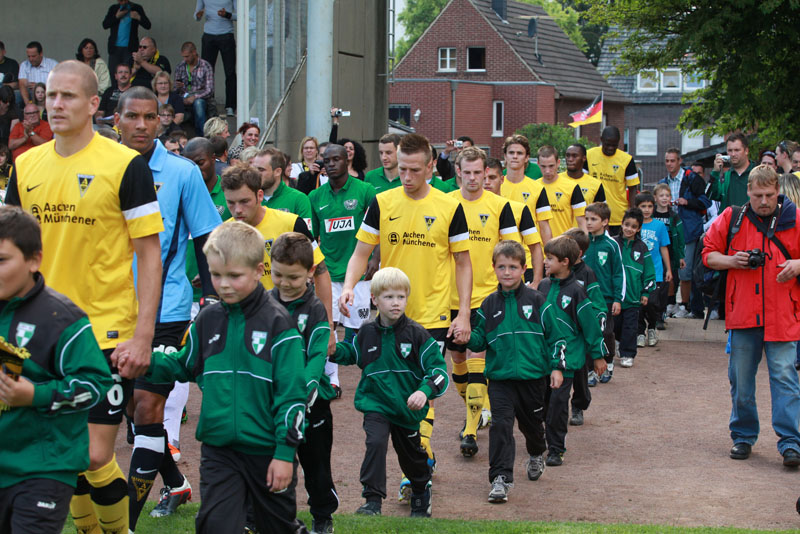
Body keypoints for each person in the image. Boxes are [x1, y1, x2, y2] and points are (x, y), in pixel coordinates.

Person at [5, 60, 163, 534]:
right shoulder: (25, 165)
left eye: (68, 96)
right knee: (63, 453)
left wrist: (143, 335)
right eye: (50, 95)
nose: (56, 104)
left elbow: (148, 254)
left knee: (92, 454)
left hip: (104, 333)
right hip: (37, 334)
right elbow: (8, 249)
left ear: (94, 104)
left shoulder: (125, 165)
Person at [121, 221, 308, 533]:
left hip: (266, 452)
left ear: (258, 270)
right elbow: (184, 364)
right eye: (216, 275)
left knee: (276, 527)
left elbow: (292, 398)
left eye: (234, 275)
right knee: (214, 526)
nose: (224, 284)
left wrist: (284, 454)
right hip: (218, 451)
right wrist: (146, 362)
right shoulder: (207, 320)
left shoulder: (279, 324)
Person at [114, 86, 221, 528]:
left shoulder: (182, 172)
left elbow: (206, 237)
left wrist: (212, 298)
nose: (141, 125)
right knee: (127, 410)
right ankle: (175, 483)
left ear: (160, 121)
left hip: (167, 309)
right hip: (109, 310)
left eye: (149, 117)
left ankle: (124, 521)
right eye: (132, 116)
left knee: (146, 408)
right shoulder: (103, 167)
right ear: (117, 120)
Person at [339, 133, 473, 476]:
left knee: (424, 385)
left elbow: (463, 262)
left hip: (432, 312)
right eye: (402, 169)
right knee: (397, 387)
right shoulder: (382, 202)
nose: (407, 176)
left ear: (431, 167)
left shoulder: (449, 206)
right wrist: (350, 286)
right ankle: (418, 460)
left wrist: (463, 313)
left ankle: (417, 463)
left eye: (415, 170)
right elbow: (361, 253)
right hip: (389, 315)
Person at [0, 207, 111, 534]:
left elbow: (95, 385)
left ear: (34, 260)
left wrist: (34, 395)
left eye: (1, 260)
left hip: (44, 469)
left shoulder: (62, 319)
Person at [330, 266, 448, 518]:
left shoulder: (417, 334)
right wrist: (332, 349)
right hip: (376, 404)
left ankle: (420, 489)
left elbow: (439, 372)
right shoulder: (366, 333)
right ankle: (372, 500)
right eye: (389, 297)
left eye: (401, 297)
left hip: (406, 409)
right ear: (374, 299)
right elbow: (352, 354)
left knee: (411, 456)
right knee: (375, 443)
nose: (396, 303)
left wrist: (424, 392)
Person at [703, 164, 800, 466]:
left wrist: (797, 265)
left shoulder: (795, 218)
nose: (764, 201)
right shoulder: (732, 217)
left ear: (778, 191)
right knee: (741, 381)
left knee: (785, 380)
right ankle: (743, 437)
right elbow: (708, 255)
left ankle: (791, 442)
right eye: (757, 195)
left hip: (783, 315)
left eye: (769, 195)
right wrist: (732, 260)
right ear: (748, 191)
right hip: (744, 314)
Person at [466, 240, 565, 503]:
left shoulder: (537, 301)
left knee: (532, 427)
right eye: (501, 267)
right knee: (501, 426)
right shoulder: (488, 305)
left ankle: (536, 452)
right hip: (500, 379)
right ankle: (500, 479)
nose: (507, 272)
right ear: (493, 268)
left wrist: (556, 368)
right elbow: (479, 341)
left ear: (523, 269)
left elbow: (556, 337)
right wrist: (465, 336)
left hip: (533, 379)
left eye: (512, 267)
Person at [446, 146, 522, 459]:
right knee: (458, 362)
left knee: (477, 359)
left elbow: (512, 249)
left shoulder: (500, 206)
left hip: (488, 296)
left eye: (479, 172)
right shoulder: (445, 203)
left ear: (486, 172)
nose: (474, 178)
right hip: (449, 297)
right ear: (458, 172)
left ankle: (469, 430)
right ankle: (479, 409)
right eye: (467, 172)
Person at [269, 232, 337, 534]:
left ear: (310, 272)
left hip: (312, 403)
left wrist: (306, 386)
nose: (284, 283)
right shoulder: (264, 303)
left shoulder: (315, 308)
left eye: (293, 277)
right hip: (274, 400)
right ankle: (264, 516)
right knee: (271, 462)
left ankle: (323, 515)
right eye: (278, 275)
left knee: (316, 466)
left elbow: (318, 353)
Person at [538, 236, 606, 466]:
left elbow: (590, 325)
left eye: (550, 258)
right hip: (542, 358)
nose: (545, 262)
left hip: (567, 359)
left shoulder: (577, 290)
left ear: (565, 262)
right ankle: (540, 440)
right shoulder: (543, 286)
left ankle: (556, 448)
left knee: (558, 405)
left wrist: (597, 356)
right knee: (542, 403)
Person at [309, 143, 376, 354]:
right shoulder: (315, 196)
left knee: (359, 330)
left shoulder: (365, 190)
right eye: (326, 160)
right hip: (328, 272)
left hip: (359, 274)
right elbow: (313, 238)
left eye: (336, 159)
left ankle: (362, 365)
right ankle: (331, 372)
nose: (331, 164)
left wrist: (375, 259)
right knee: (327, 327)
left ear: (347, 161)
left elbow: (380, 228)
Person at [561, 227, 607, 427]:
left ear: (578, 252)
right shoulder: (557, 273)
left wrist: (595, 328)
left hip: (579, 337)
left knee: (580, 376)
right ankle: (556, 409)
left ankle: (579, 405)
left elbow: (597, 305)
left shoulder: (587, 274)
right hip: (560, 336)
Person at [661, 148, 711, 320]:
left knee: (685, 271)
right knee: (669, 269)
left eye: (672, 160)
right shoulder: (664, 182)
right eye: (667, 161)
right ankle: (671, 303)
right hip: (669, 231)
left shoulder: (692, 179)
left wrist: (686, 202)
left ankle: (685, 304)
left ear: (679, 161)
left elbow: (705, 201)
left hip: (688, 231)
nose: (669, 164)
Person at [482, 156, 544, 286]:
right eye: (483, 178)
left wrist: (537, 281)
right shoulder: (465, 208)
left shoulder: (519, 209)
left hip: (512, 281)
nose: (487, 182)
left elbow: (535, 247)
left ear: (502, 179)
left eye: (492, 178)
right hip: (481, 280)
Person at [583, 202, 625, 383]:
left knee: (606, 332)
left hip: (605, 298)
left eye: (593, 219)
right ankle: (590, 370)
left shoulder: (611, 245)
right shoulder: (582, 243)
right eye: (587, 219)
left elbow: (618, 273)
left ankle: (608, 362)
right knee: (587, 332)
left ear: (605, 221)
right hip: (584, 297)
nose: (589, 222)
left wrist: (617, 298)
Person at [613, 208, 655, 368]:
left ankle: (628, 354)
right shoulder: (613, 243)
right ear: (622, 224)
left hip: (633, 298)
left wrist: (645, 292)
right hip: (615, 297)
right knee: (615, 325)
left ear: (638, 229)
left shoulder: (642, 248)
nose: (629, 229)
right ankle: (617, 342)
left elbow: (649, 272)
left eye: (633, 226)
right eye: (627, 225)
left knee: (630, 327)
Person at [499, 134, 553, 245]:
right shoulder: (495, 185)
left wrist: (549, 252)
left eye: (519, 153)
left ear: (527, 157)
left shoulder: (538, 189)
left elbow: (544, 226)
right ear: (505, 156)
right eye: (511, 153)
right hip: (501, 251)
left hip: (528, 251)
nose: (515, 156)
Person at [585, 126, 640, 233]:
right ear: (601, 140)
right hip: (593, 217)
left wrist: (632, 211)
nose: (610, 148)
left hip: (618, 217)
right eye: (607, 144)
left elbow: (633, 188)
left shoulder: (627, 160)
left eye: (614, 145)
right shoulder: (588, 155)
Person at [634, 191, 671, 347]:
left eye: (650, 206)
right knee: (639, 305)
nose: (647, 209)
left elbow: (663, 247)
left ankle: (652, 328)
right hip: (637, 273)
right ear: (637, 207)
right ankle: (640, 332)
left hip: (655, 272)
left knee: (652, 303)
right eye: (643, 206)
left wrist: (668, 269)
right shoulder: (634, 225)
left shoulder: (659, 226)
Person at [249, 148, 312, 223]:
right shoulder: (247, 198)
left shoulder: (299, 199)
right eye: (254, 169)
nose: (256, 173)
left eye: (261, 169)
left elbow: (306, 230)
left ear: (277, 172)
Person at [195, 0, 236, 116]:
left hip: (226, 35)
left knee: (230, 71)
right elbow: (196, 15)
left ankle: (230, 106)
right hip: (209, 35)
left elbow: (240, 16)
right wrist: (198, 16)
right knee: (207, 73)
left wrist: (227, 15)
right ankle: (210, 105)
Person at [652, 183, 685, 325]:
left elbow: (680, 237)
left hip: (669, 255)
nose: (664, 198)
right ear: (655, 198)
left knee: (666, 285)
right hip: (653, 255)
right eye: (661, 195)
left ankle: (661, 314)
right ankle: (651, 313)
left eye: (667, 195)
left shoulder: (674, 216)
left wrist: (681, 256)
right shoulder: (651, 215)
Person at [537, 145, 586, 237]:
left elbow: (582, 221)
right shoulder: (533, 187)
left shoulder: (572, 187)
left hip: (564, 243)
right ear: (538, 164)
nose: (547, 171)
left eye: (551, 166)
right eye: (543, 166)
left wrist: (585, 244)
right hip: (539, 244)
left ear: (558, 163)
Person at [174, 41, 214, 134]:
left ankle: (201, 135)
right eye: (183, 56)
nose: (185, 59)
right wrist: (178, 87)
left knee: (198, 104)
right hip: (184, 96)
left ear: (194, 52)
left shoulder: (205, 66)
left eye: (187, 56)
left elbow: (210, 90)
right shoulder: (180, 66)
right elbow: (175, 89)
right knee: (173, 101)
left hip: (200, 97)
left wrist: (194, 97)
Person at [103, 0, 152, 77]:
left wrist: (138, 17)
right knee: (114, 73)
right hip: (114, 48)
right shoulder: (114, 8)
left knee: (128, 73)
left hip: (130, 48)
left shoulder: (136, 8)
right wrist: (116, 16)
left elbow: (148, 25)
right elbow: (105, 25)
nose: (121, 2)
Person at [710, 133, 756, 212]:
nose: (733, 154)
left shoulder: (757, 173)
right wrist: (715, 172)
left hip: (751, 218)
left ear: (746, 151)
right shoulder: (725, 177)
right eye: (730, 150)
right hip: (729, 219)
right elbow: (711, 195)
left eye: (737, 150)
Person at [562, 143, 605, 216]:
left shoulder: (596, 184)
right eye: (568, 155)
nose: (570, 159)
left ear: (584, 158)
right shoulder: (556, 180)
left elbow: (602, 214)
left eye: (574, 156)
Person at [17, 42, 58, 107]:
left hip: (48, 94)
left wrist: (39, 87)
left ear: (41, 53)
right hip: (31, 95)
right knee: (17, 96)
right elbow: (22, 85)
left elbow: (59, 85)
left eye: (33, 56)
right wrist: (28, 105)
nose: (31, 59)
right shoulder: (24, 65)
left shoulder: (53, 64)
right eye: (29, 56)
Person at [0, 87, 20, 157]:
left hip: (7, 140)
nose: (8, 104)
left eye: (10, 101)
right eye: (5, 101)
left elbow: (12, 134)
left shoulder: (15, 112)